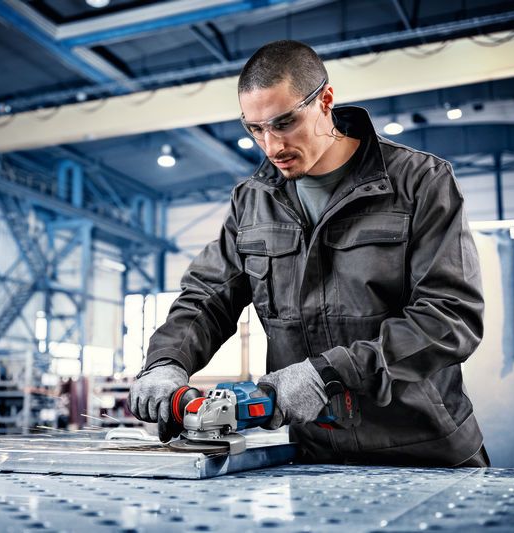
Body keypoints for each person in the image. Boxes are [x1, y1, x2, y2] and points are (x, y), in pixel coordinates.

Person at [129, 40, 489, 467]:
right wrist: (167, 362)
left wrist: (329, 374)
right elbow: (208, 298)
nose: (271, 145)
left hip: (424, 451)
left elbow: (450, 319)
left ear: (326, 101)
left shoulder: (419, 183)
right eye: (254, 129)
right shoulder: (253, 201)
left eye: (284, 122)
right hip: (315, 457)